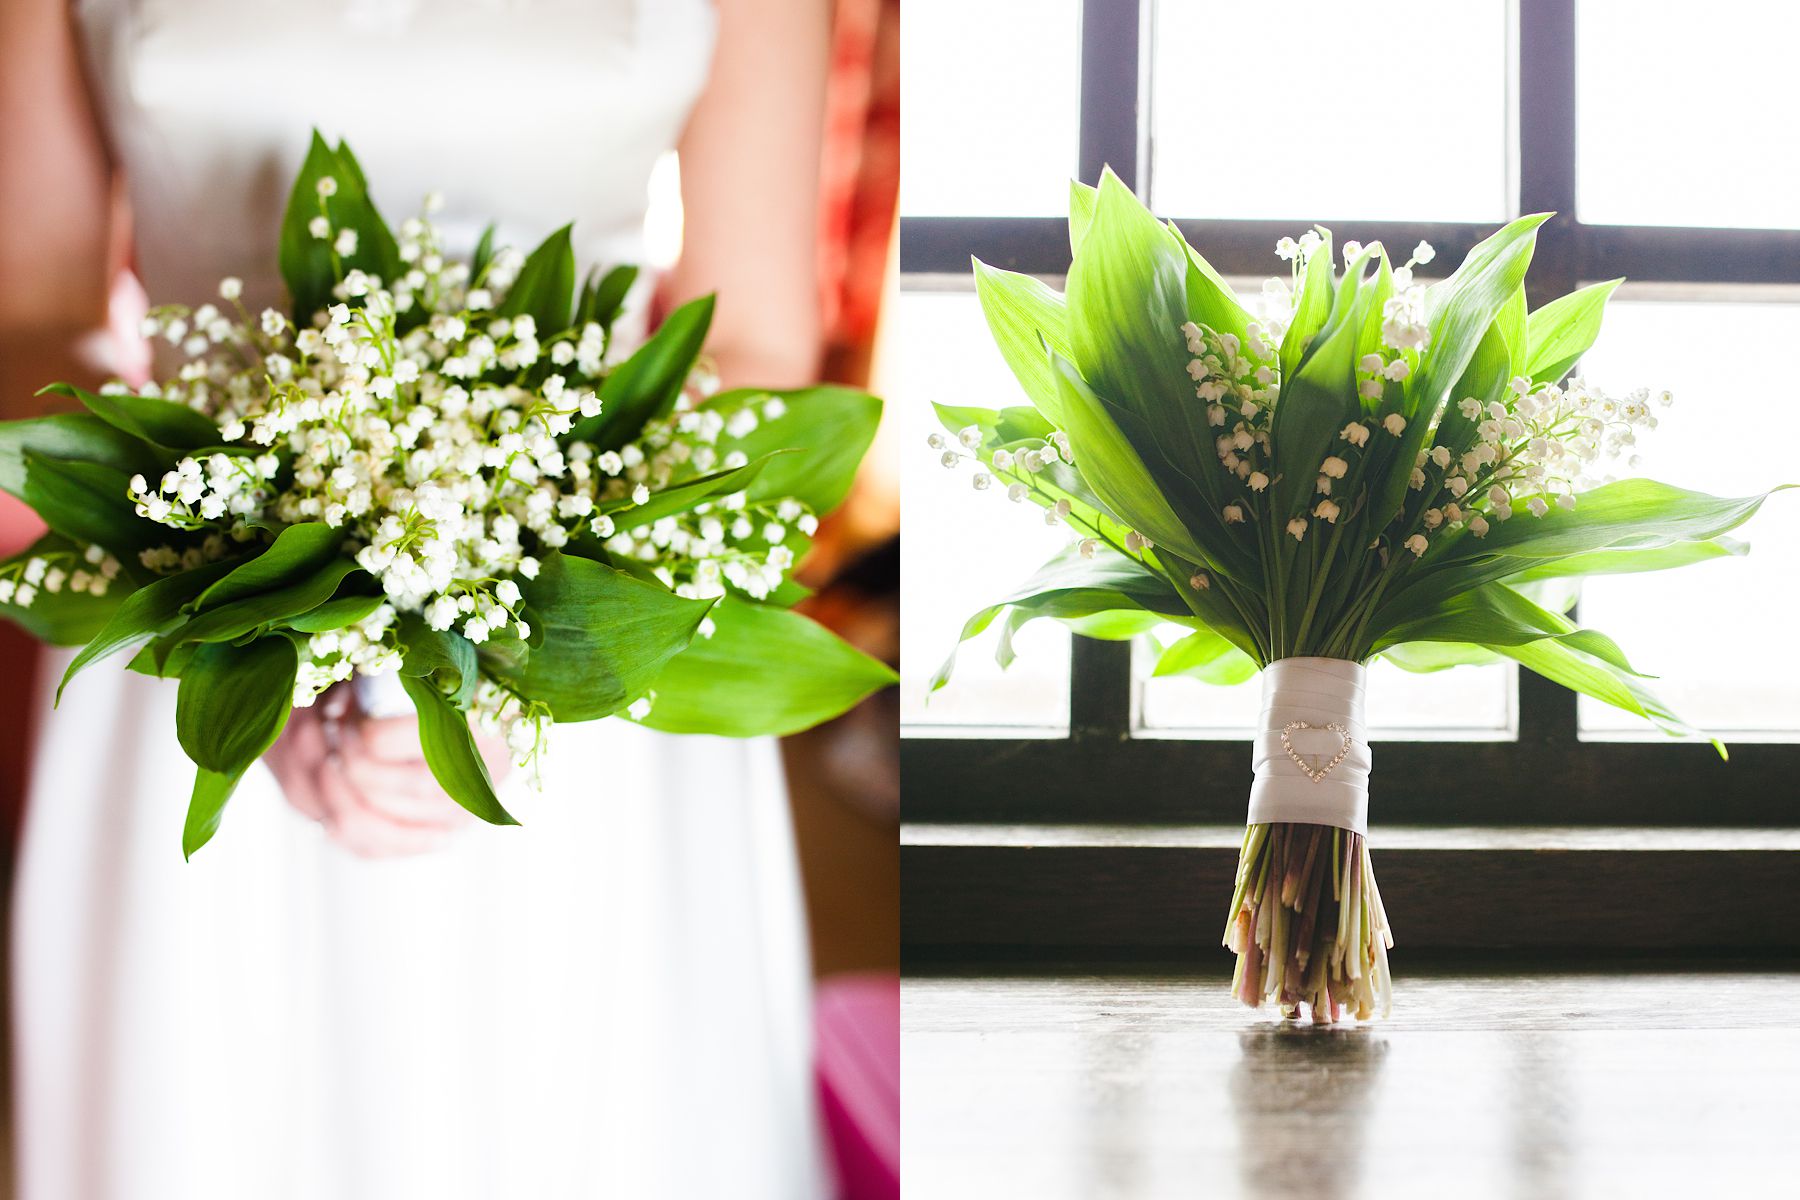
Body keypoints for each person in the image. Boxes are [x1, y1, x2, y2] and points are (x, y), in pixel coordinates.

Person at [0, 0, 834, 1196]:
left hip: (582, 633)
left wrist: (517, 601)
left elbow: (752, 342)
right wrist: (257, 583)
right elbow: (31, 319)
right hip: (193, 609)